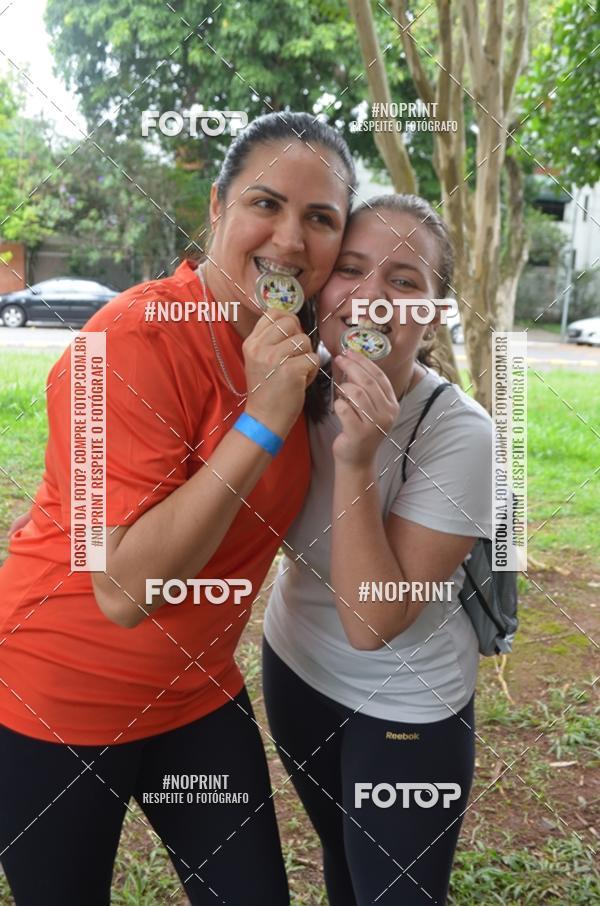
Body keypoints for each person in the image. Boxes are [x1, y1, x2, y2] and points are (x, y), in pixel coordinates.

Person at [0, 112, 356, 906]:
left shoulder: (300, 355)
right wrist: (260, 417)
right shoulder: (120, 343)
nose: (291, 240)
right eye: (267, 204)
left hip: (194, 696)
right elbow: (121, 590)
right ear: (217, 207)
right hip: (55, 699)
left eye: (320, 219)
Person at [263, 194, 493, 905]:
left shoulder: (464, 437)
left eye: (404, 280)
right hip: (295, 671)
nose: (370, 296)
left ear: (432, 311)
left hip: (406, 712)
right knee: (340, 860)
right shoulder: (290, 386)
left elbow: (372, 622)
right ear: (320, 286)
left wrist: (358, 461)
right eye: (352, 269)